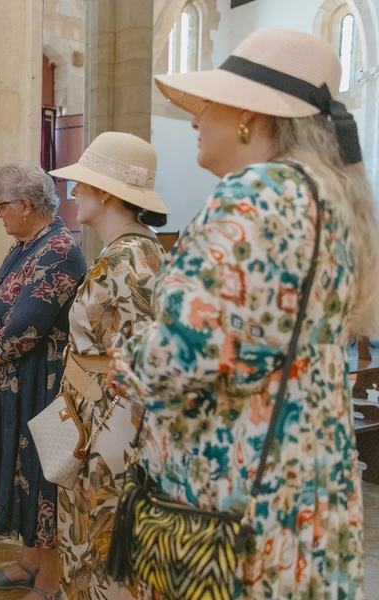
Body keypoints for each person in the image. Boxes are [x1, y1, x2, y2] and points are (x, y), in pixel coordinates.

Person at [108, 29, 379, 599]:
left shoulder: (253, 196)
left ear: (250, 118)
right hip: (305, 486)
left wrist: (126, 357)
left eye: (207, 105)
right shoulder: (330, 198)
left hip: (234, 500)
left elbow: (183, 353)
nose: (194, 121)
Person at [47, 132, 168, 600]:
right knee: (83, 547)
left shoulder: (131, 260)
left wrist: (106, 459)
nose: (73, 193)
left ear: (107, 193)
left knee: (101, 547)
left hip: (108, 432)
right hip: (90, 415)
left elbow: (135, 371)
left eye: (82, 185)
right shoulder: (126, 251)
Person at [0, 161, 86, 600]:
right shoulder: (25, 243)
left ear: (25, 205)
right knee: (19, 472)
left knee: (40, 477)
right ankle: (29, 561)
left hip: (39, 385)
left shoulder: (59, 250)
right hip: (12, 382)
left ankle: (50, 582)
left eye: (1, 206)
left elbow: (23, 331)